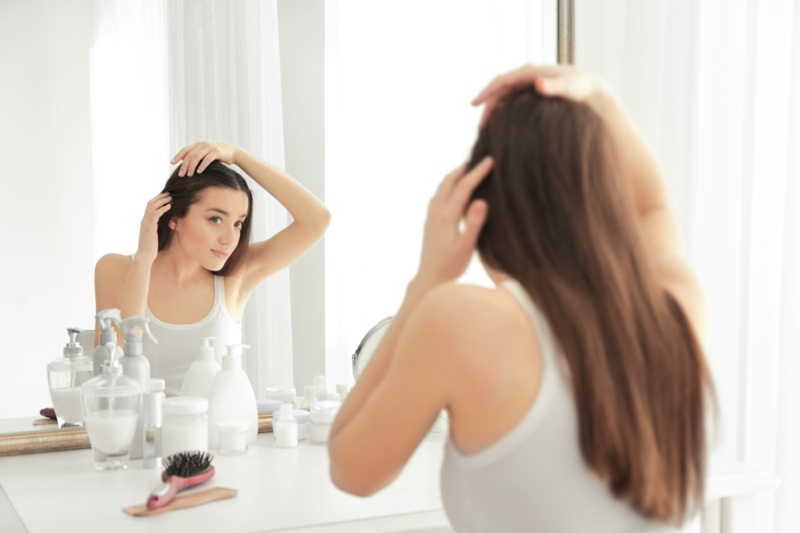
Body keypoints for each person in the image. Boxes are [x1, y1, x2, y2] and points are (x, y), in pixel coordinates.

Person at [328, 65, 716, 531]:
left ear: (483, 207)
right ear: (608, 200)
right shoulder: (676, 309)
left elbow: (351, 470)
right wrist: (597, 94)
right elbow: (654, 204)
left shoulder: (460, 321)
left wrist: (428, 277)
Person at [95, 142, 330, 395]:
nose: (230, 239)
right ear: (174, 217)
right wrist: (144, 258)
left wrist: (238, 155)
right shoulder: (115, 268)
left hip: (218, 432)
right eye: (215, 219)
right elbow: (112, 366)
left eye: (238, 223)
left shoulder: (236, 275)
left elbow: (317, 220)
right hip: (141, 432)